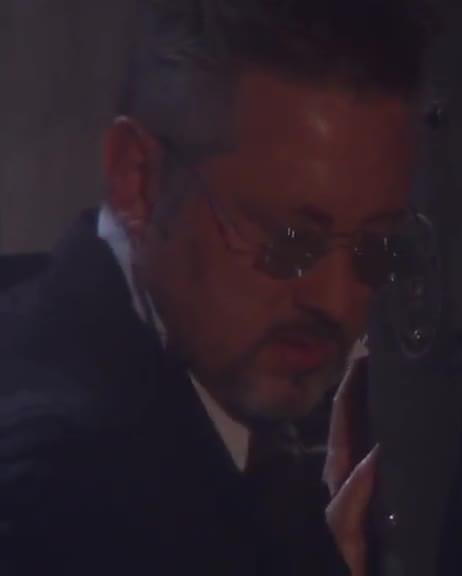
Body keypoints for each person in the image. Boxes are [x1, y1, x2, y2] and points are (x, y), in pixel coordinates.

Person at [0, 1, 427, 574]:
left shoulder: (200, 391)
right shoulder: (54, 496)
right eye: (288, 239)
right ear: (138, 181)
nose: (336, 300)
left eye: (376, 247)